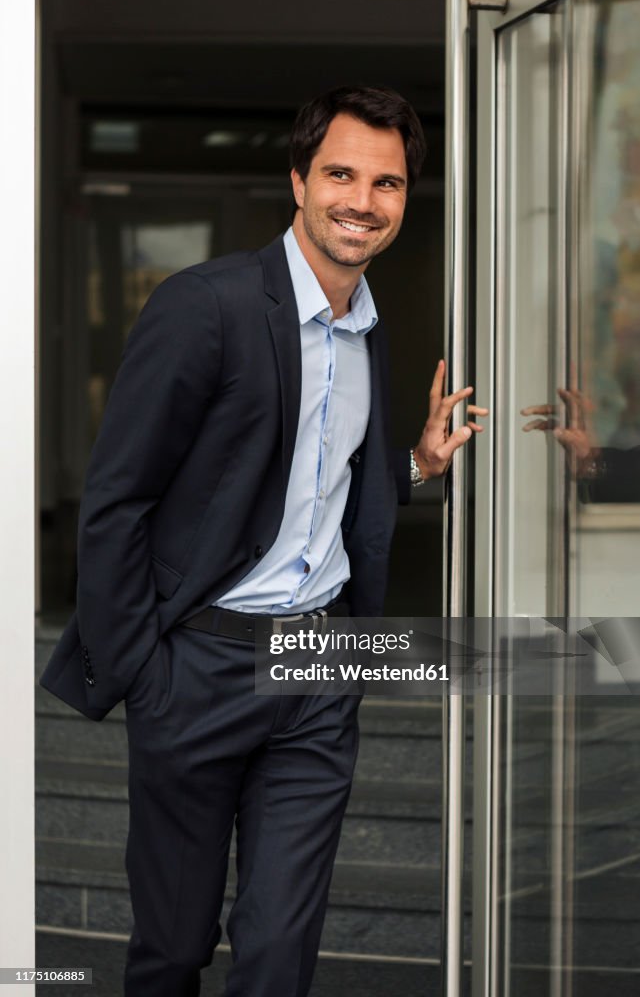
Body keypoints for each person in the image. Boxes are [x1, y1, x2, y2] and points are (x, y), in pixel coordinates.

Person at [40, 85, 487, 997]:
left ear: (407, 198)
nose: (362, 201)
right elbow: (118, 500)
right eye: (340, 174)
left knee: (280, 954)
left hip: (317, 669)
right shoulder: (204, 305)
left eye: (388, 183)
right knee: (172, 948)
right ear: (297, 179)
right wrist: (146, 674)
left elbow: (307, 487)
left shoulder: (366, 332)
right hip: (196, 669)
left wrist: (415, 467)